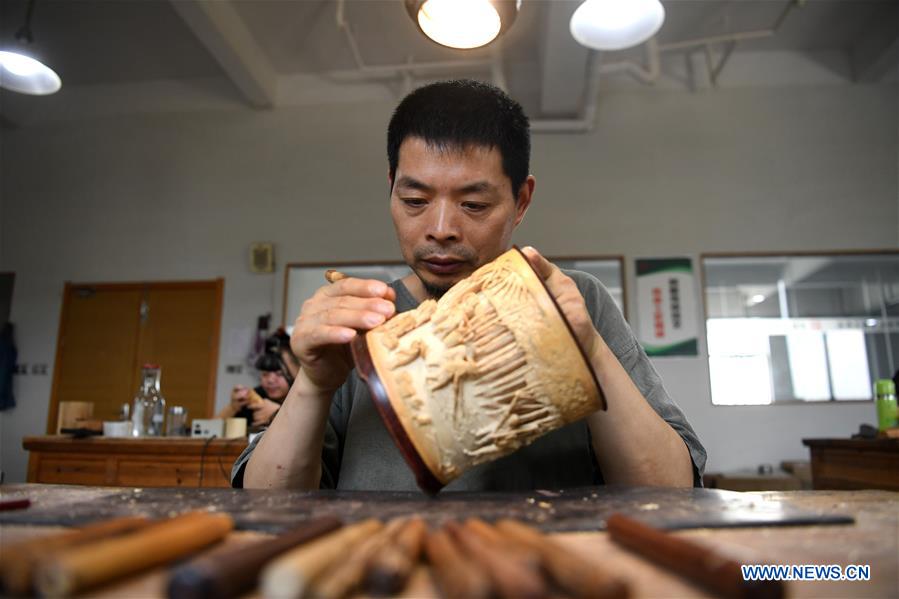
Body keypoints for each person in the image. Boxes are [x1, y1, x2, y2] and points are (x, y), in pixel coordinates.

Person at [233, 79, 706, 491]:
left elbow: (671, 489)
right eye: (415, 199)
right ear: (391, 188)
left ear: (521, 201)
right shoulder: (358, 327)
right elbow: (267, 505)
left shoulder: (578, 303)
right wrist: (314, 385)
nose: (441, 228)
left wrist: (587, 351)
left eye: (474, 205)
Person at [218, 330, 298, 428]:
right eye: (265, 374)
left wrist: (278, 413)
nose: (270, 380)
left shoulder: (301, 397)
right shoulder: (256, 397)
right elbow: (210, 429)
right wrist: (232, 408)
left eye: (279, 374)